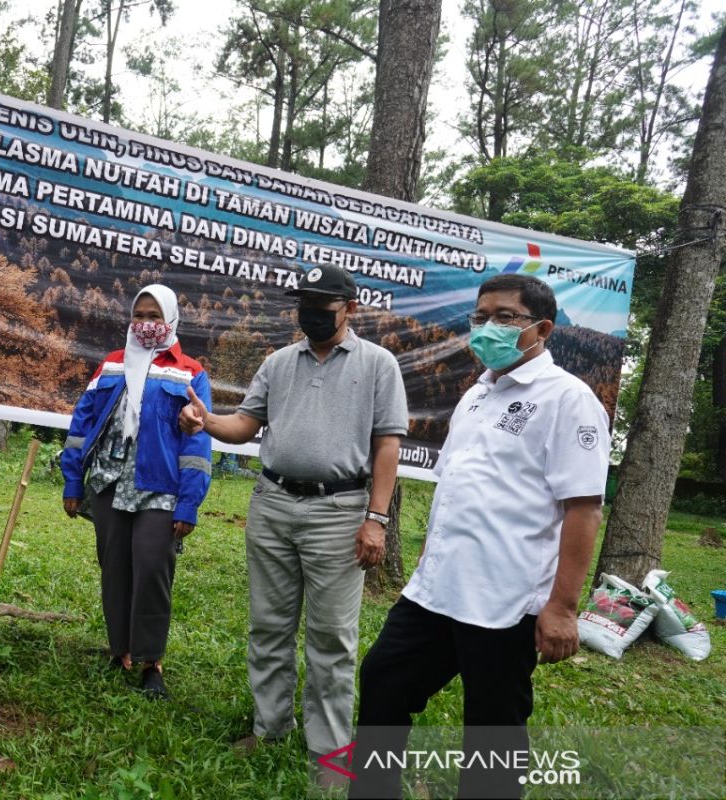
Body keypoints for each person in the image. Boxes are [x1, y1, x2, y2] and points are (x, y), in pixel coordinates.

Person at [348, 274, 611, 799]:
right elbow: (454, 490)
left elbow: (583, 509)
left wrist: (562, 606)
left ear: (542, 328)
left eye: (505, 317)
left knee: (491, 730)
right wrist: (425, 561)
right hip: (437, 590)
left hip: (504, 601)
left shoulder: (568, 400)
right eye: (480, 316)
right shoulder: (476, 394)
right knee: (383, 680)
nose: (488, 326)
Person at [179, 264, 407, 788]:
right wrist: (206, 420)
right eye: (302, 305)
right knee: (269, 626)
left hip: (339, 513)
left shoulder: (378, 364)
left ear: (350, 308)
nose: (309, 315)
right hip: (273, 504)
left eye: (321, 306)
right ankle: (270, 727)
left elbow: (387, 444)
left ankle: (329, 756)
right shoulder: (279, 362)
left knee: (332, 640)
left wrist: (375, 520)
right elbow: (244, 425)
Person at [61, 284, 213, 700]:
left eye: (154, 315)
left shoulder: (190, 371)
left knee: (151, 568)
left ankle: (152, 663)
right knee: (113, 566)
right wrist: (72, 479)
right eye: (140, 315)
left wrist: (189, 502)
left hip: (159, 486)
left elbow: (198, 443)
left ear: (171, 319)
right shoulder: (111, 364)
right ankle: (119, 650)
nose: (146, 324)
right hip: (109, 480)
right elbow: (81, 423)